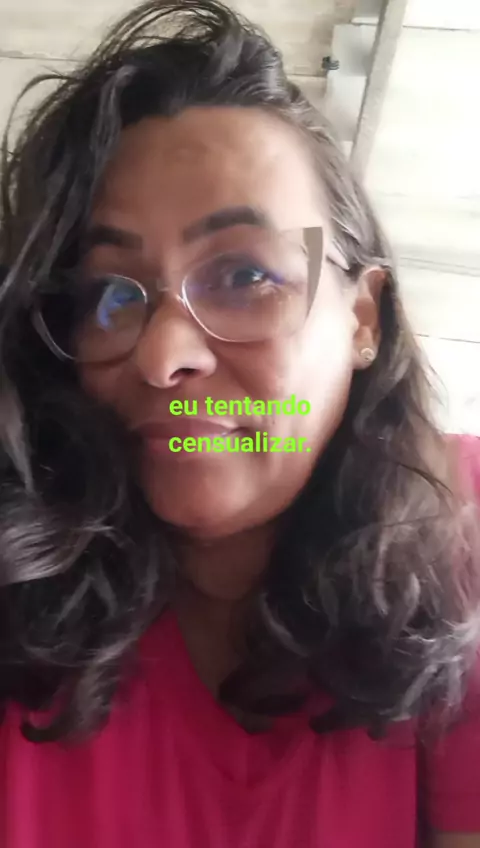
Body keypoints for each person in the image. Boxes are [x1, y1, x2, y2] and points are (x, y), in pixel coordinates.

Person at [0, 1, 479, 845]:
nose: (162, 356)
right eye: (110, 294)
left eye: (247, 276)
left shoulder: (462, 527)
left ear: (362, 317)